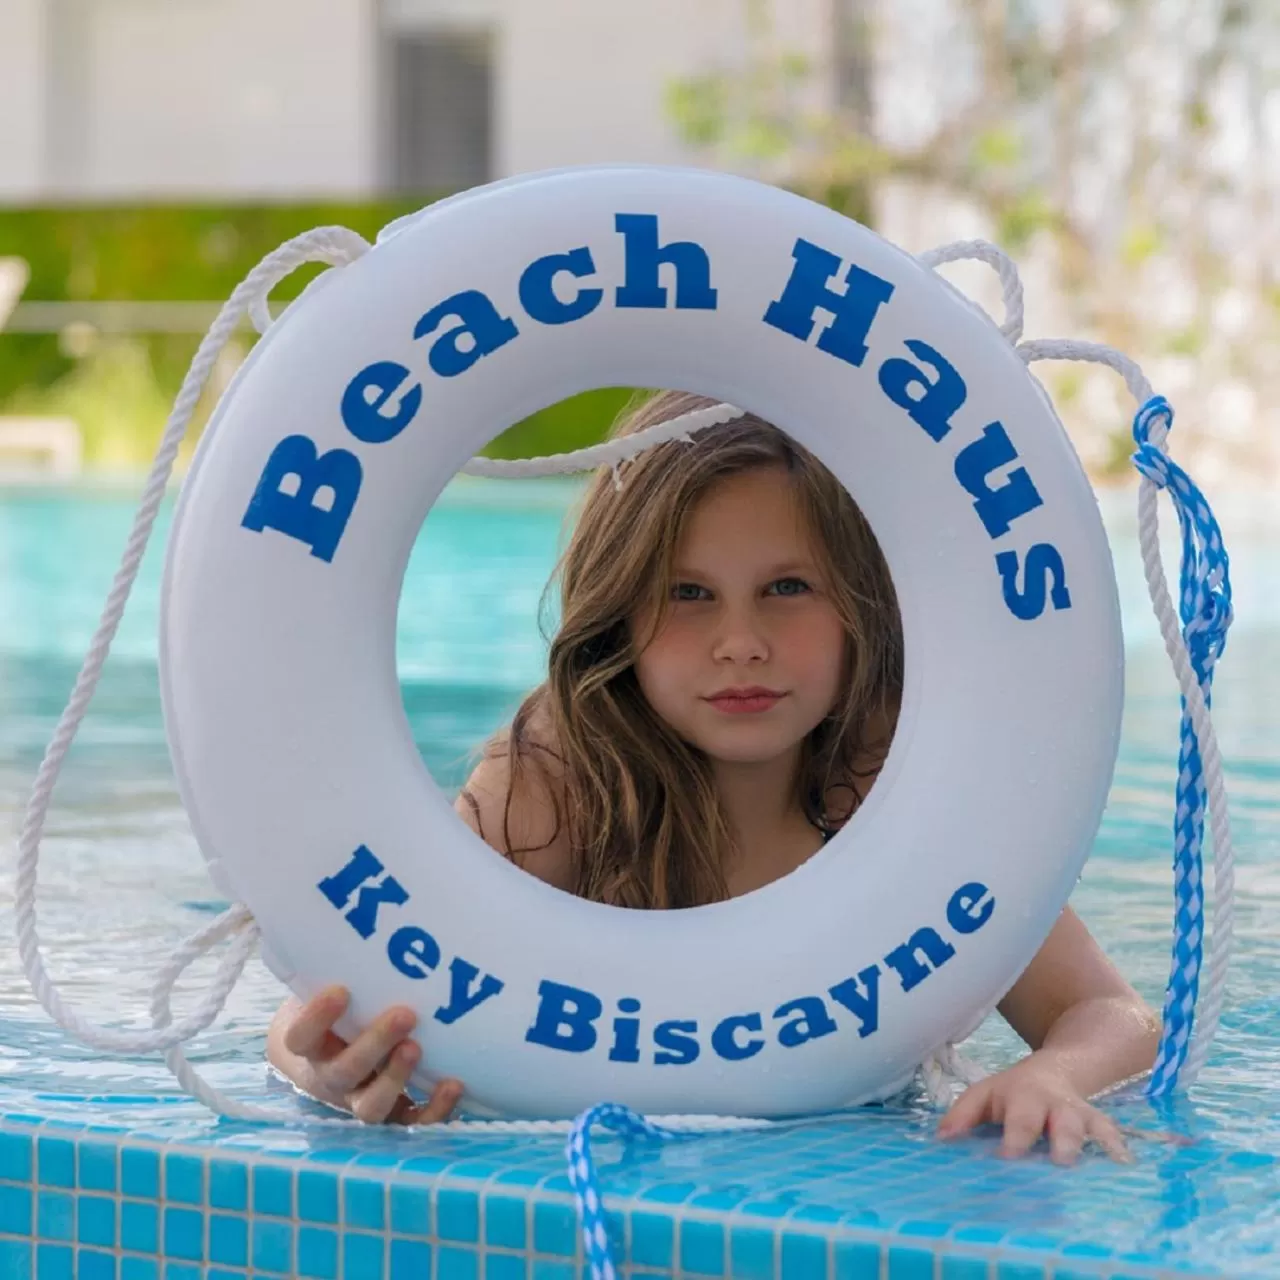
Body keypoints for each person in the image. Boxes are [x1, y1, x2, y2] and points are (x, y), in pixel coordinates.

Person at [267, 390, 1159, 1163]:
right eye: (689, 595)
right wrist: (322, 1065)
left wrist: (1049, 1075)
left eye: (788, 588)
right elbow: (328, 1004)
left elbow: (1110, 1014)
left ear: (862, 606)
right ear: (621, 617)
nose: (742, 641)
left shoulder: (905, 783)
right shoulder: (558, 781)